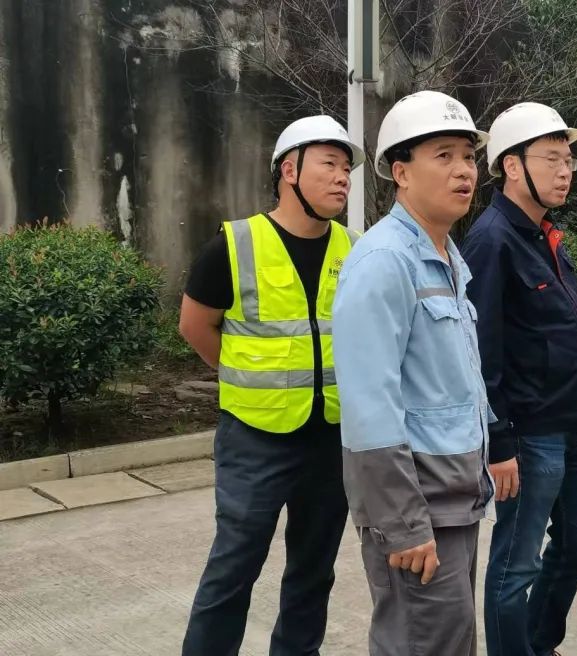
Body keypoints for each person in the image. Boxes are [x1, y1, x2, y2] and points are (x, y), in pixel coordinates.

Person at [178, 115, 362, 656]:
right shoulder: (234, 244)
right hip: (254, 437)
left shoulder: (354, 249)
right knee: (234, 567)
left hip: (329, 436)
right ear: (290, 170)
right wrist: (249, 378)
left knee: (314, 570)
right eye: (329, 164)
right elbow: (195, 326)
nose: (342, 177)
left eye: (346, 168)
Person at [332, 90, 493, 656]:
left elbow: (453, 383)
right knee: (423, 644)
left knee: (448, 641)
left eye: (468, 156)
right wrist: (403, 523)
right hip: (418, 510)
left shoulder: (445, 257)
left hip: (454, 500)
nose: (463, 170)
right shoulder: (384, 262)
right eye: (443, 155)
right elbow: (369, 408)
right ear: (400, 173)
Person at [460, 102, 577, 656]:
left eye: (569, 160)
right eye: (552, 159)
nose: (565, 171)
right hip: (530, 433)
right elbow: (480, 352)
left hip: (575, 426)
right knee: (515, 567)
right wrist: (499, 442)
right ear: (512, 166)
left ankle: (538, 644)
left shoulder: (544, 233)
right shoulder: (492, 240)